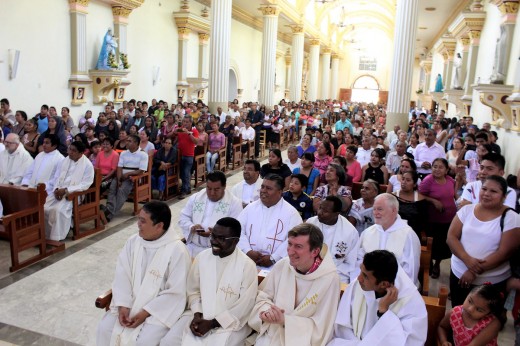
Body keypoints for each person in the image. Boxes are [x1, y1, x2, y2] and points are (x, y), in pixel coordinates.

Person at [96, 201, 190, 346]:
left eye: (143, 221)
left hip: (157, 312)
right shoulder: (133, 242)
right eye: (138, 219)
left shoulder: (177, 251)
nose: (138, 224)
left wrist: (145, 312)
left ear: (159, 226)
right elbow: (123, 275)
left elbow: (175, 292)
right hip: (129, 302)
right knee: (105, 329)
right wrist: (123, 305)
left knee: (144, 341)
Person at [163, 217, 258, 346]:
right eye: (213, 236)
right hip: (199, 313)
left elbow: (244, 307)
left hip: (230, 323)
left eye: (221, 239)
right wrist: (197, 314)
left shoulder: (247, 266)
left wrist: (212, 323)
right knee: (169, 342)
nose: (214, 241)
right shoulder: (202, 257)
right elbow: (193, 291)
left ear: (235, 241)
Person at [248, 223, 340, 346]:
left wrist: (285, 321)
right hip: (270, 335)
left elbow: (322, 326)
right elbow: (262, 298)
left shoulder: (330, 279)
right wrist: (266, 312)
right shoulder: (283, 265)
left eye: (298, 246)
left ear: (315, 251)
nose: (290, 252)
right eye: (290, 244)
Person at [447, 175, 520, 307]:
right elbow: (451, 237)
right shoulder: (467, 210)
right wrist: (467, 259)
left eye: (493, 191)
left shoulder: (511, 218)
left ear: (504, 197)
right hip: (458, 274)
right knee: (458, 312)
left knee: (483, 322)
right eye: (484, 189)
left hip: (491, 282)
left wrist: (473, 271)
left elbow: (504, 253)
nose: (486, 194)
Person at [328, 250, 427, 346]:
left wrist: (384, 312)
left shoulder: (411, 302)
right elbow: (342, 326)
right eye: (361, 271)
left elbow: (409, 342)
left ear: (384, 284)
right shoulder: (357, 285)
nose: (359, 278)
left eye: (365, 276)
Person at [353, 193, 421, 286]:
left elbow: (410, 270)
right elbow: (358, 260)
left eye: (380, 209)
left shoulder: (408, 235)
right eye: (374, 209)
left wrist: (387, 288)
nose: (375, 213)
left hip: (396, 289)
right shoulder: (368, 232)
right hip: (367, 285)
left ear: (394, 210)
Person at [237, 174, 303, 268]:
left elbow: (295, 239)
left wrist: (274, 258)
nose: (263, 191)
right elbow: (238, 231)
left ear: (280, 192)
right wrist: (247, 251)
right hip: (248, 261)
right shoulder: (250, 208)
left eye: (268, 188)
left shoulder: (291, 213)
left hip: (277, 266)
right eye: (262, 187)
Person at [180, 170, 243, 258]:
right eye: (209, 188)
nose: (212, 193)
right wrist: (192, 227)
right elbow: (183, 217)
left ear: (224, 186)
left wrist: (214, 234)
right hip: (192, 248)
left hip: (217, 252)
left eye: (216, 189)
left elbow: (236, 230)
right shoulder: (196, 197)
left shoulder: (234, 203)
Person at [44, 141, 94, 241]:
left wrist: (66, 190)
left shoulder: (87, 165)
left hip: (74, 195)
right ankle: (45, 235)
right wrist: (56, 189)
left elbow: (85, 184)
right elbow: (57, 177)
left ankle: (56, 237)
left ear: (81, 153)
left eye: (73, 151)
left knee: (58, 210)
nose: (70, 152)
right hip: (58, 192)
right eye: (69, 149)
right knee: (44, 207)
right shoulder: (64, 160)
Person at [418, 158, 457, 279]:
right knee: (433, 246)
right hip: (433, 221)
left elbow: (454, 195)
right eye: (434, 166)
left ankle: (437, 264)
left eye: (440, 167)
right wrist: (433, 201)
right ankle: (428, 267)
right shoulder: (428, 180)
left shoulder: (450, 180)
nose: (437, 169)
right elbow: (419, 195)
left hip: (449, 219)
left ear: (446, 170)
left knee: (443, 246)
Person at [307, 196, 359, 283]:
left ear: (337, 214)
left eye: (325, 211)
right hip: (309, 270)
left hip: (336, 273)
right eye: (320, 208)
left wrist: (327, 272)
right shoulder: (310, 223)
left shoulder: (350, 232)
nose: (319, 212)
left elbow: (350, 263)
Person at [102, 134, 149, 222]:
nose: (127, 143)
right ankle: (109, 209)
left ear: (136, 143)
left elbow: (141, 171)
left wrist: (128, 174)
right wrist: (119, 178)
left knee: (121, 190)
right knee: (112, 187)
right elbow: (119, 167)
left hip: (134, 177)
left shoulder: (143, 154)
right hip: (121, 176)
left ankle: (110, 213)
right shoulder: (124, 153)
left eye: (129, 141)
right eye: (127, 140)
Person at [438, 284, 503, 346]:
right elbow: (442, 327)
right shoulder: (454, 312)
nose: (470, 309)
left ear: (488, 314)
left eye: (479, 310)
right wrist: (444, 341)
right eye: (470, 301)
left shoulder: (493, 324)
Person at [393, 171, 427, 240]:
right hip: (394, 233)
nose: (404, 182)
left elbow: (423, 222)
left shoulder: (421, 200)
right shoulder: (392, 197)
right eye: (403, 179)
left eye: (408, 180)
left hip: (413, 234)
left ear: (414, 184)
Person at [177, 115, 199, 199]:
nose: (185, 123)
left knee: (186, 172)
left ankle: (184, 191)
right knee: (183, 174)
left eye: (187, 122)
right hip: (180, 154)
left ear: (190, 122)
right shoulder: (180, 129)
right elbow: (176, 139)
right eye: (184, 122)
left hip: (189, 155)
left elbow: (196, 142)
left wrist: (189, 134)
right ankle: (188, 188)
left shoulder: (194, 131)